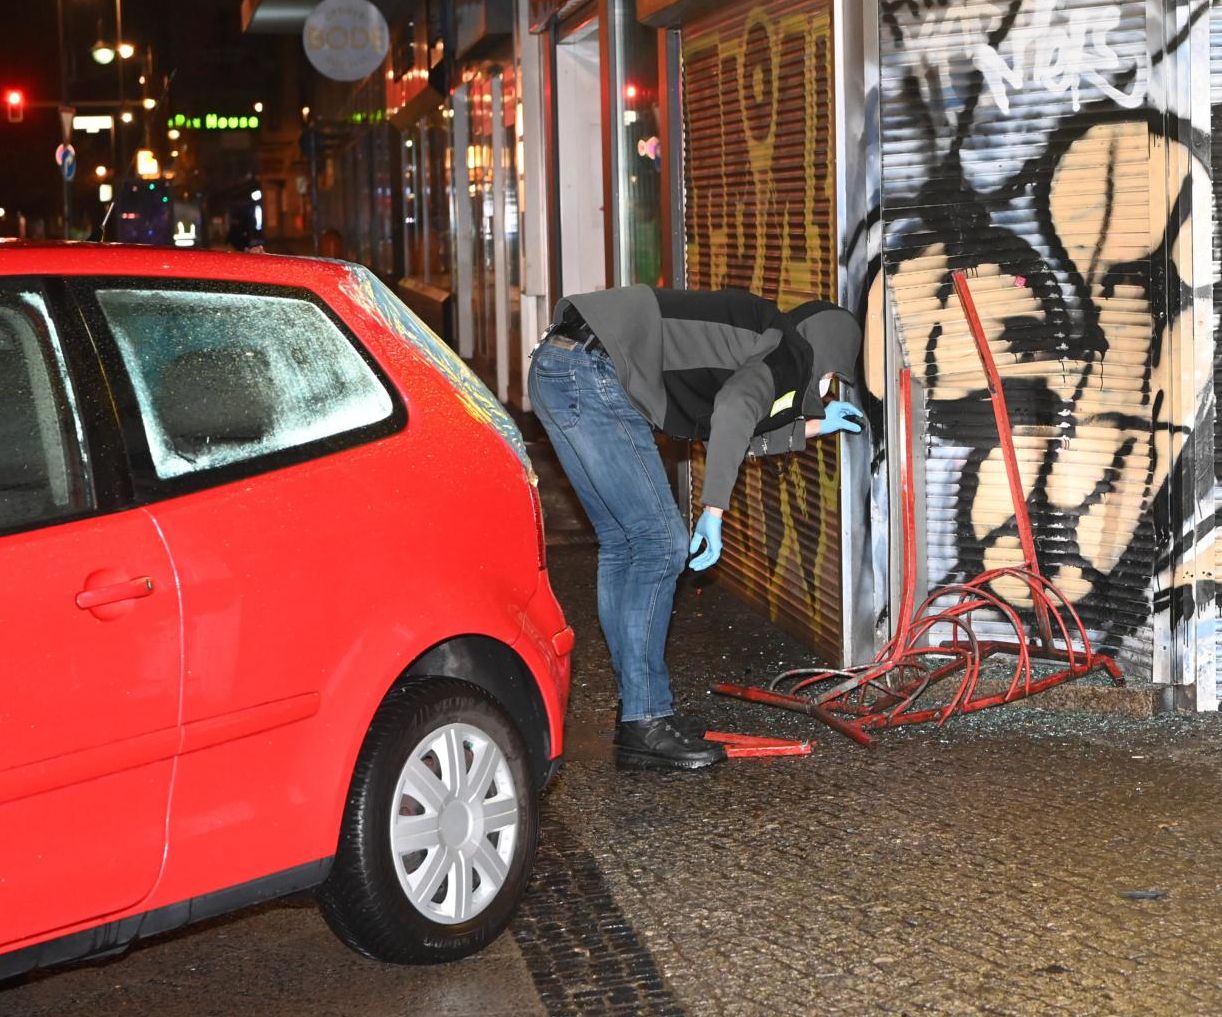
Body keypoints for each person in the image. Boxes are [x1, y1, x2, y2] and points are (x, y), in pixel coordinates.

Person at [528, 285, 864, 772]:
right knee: (663, 543)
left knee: (626, 545)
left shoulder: (762, 339)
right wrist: (713, 512)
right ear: (826, 349)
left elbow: (732, 426)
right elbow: (733, 411)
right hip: (594, 370)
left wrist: (811, 427)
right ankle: (646, 718)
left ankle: (641, 714)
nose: (825, 388)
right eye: (831, 378)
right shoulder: (791, 349)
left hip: (562, 364)